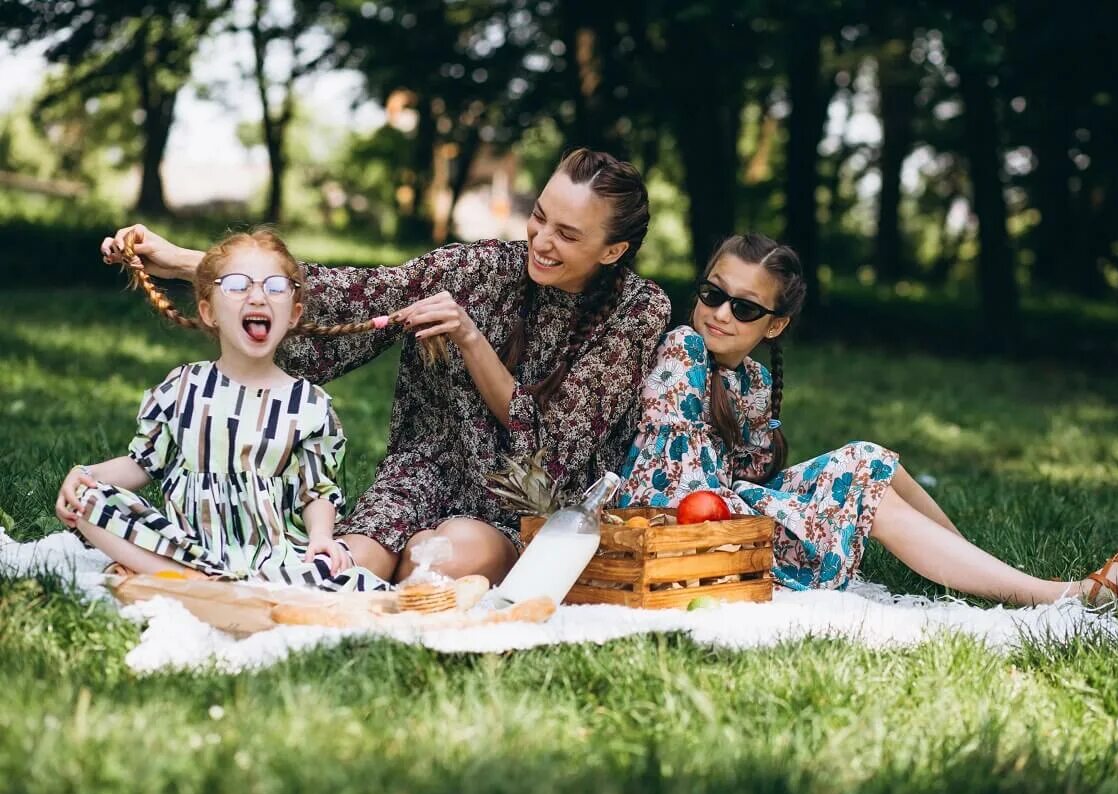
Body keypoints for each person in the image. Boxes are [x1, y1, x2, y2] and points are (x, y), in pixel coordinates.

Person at [100, 148, 672, 585]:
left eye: (567, 234)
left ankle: (425, 560)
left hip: (532, 501)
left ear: (612, 250)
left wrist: (471, 340)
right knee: (346, 565)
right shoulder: (479, 268)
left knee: (437, 564)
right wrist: (185, 263)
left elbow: (556, 446)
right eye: (540, 217)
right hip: (426, 470)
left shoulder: (640, 311)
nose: (541, 241)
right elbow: (357, 293)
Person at [618, 233, 1118, 606]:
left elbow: (754, 473)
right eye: (713, 294)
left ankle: (975, 569)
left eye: (745, 308)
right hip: (685, 528)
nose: (719, 313)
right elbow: (677, 481)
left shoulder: (752, 380)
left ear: (775, 326)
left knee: (868, 457)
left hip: (721, 511)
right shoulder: (684, 347)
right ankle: (1056, 595)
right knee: (863, 488)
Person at [57, 229, 389, 590]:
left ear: (293, 315)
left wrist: (321, 537)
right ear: (209, 312)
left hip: (272, 558)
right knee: (88, 501)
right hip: (189, 549)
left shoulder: (308, 405)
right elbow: (142, 464)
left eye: (274, 287)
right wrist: (86, 474)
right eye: (238, 285)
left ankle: (195, 584)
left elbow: (316, 490)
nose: (258, 297)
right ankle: (195, 580)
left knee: (333, 572)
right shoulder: (184, 387)